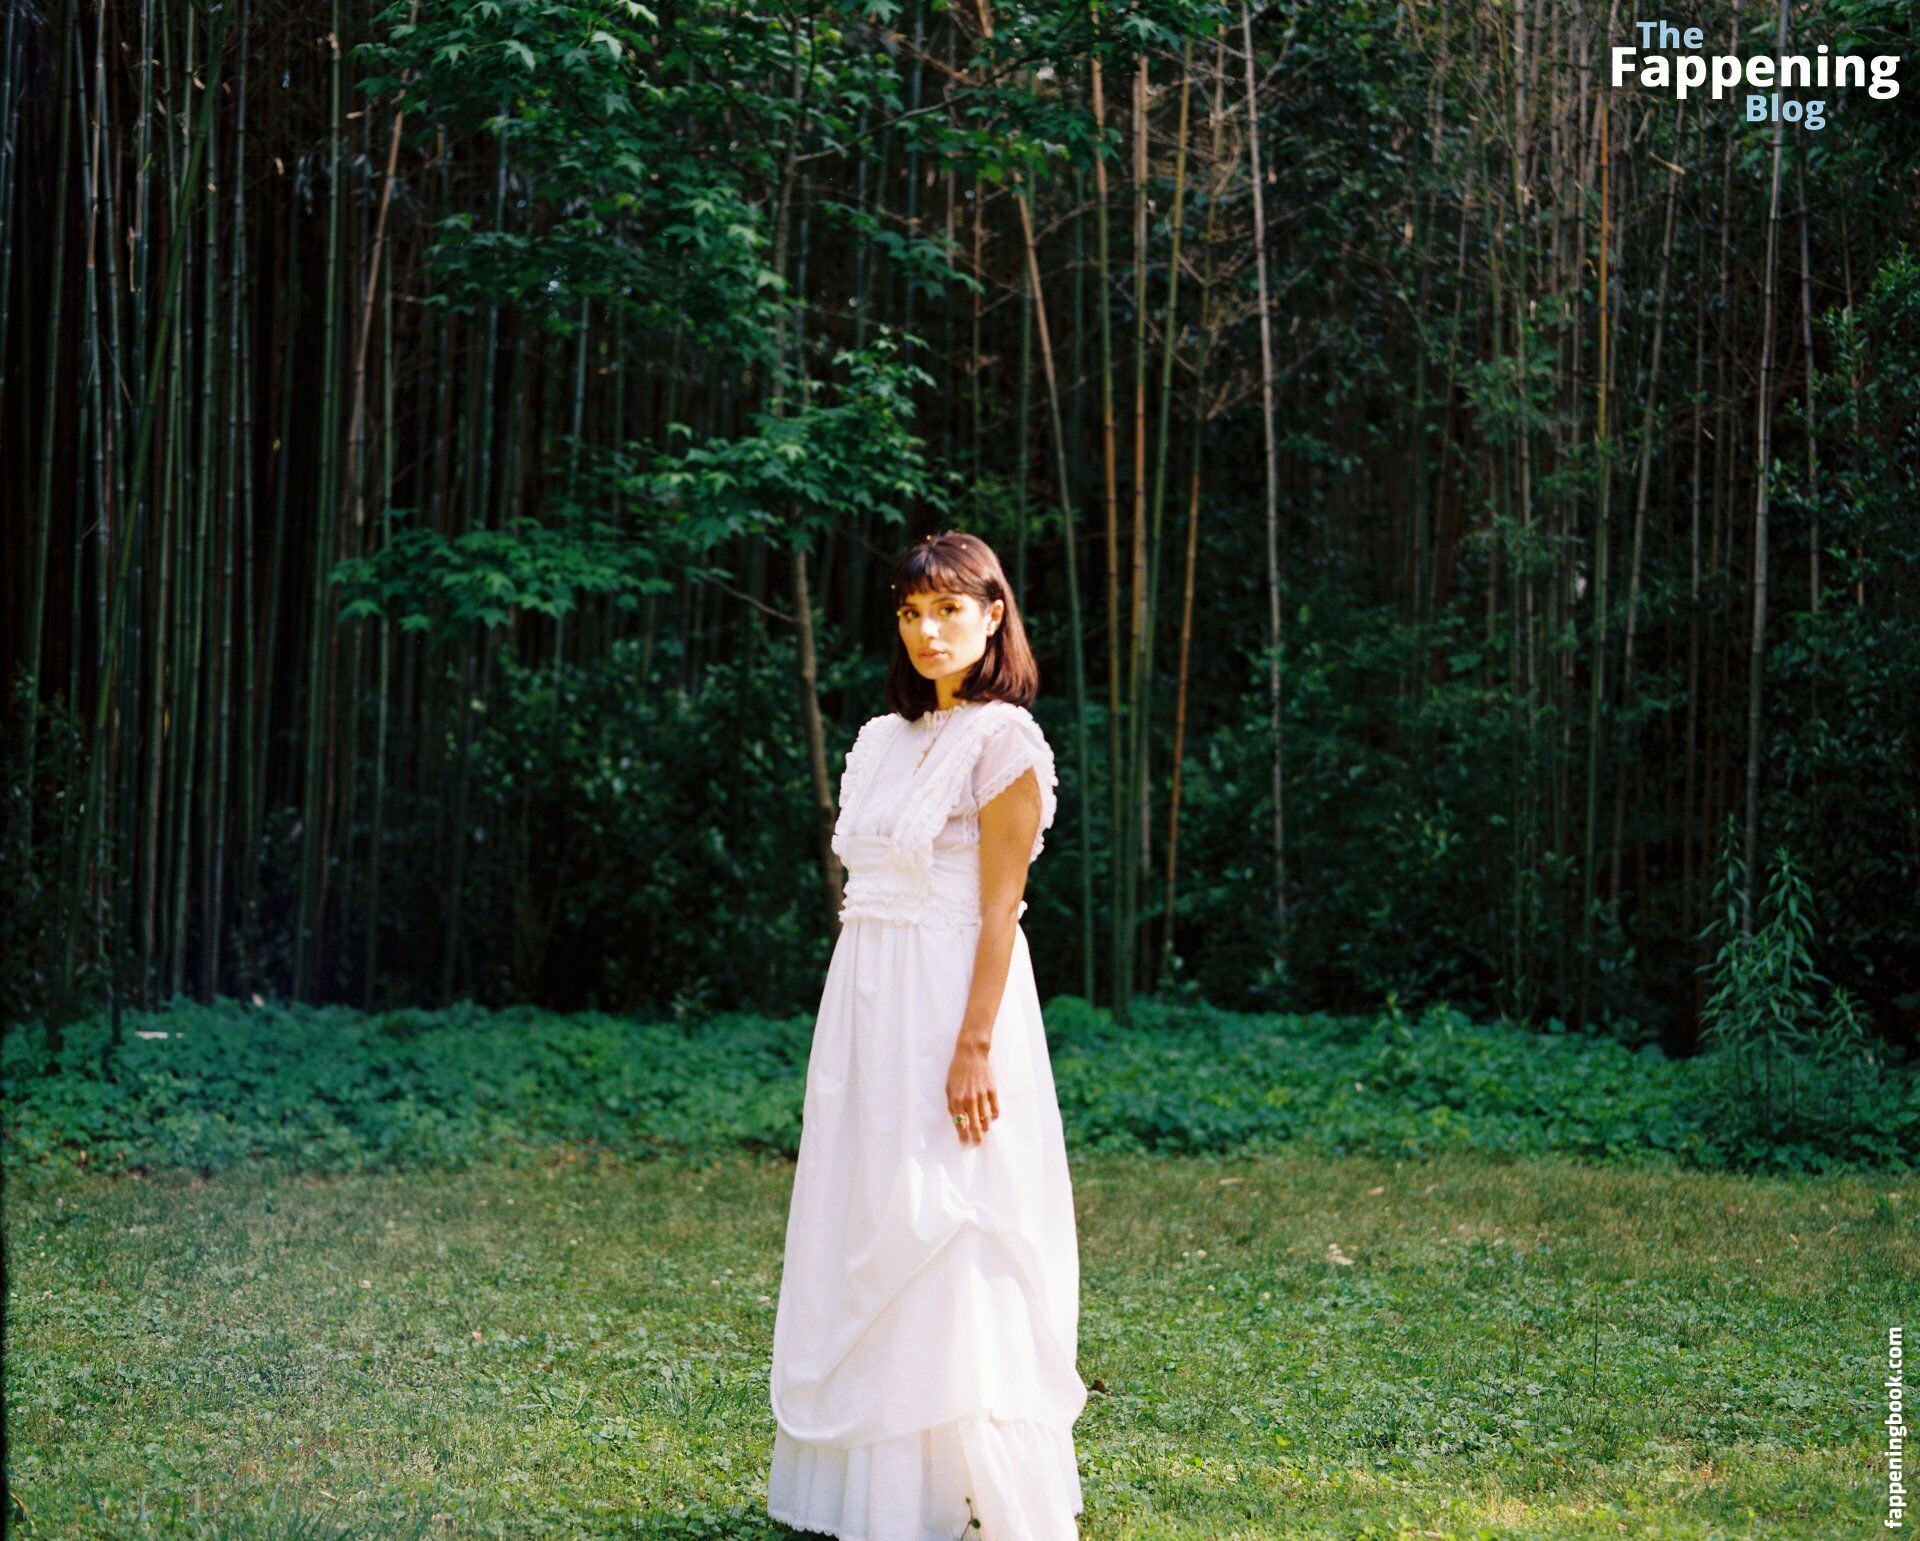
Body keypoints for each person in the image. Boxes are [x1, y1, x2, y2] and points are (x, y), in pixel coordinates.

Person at [766, 531, 1087, 1539]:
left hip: (955, 998)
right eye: (911, 612)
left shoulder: (1004, 742)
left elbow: (1000, 910)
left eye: (948, 608)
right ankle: (883, 1485)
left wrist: (974, 1044)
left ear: (994, 614)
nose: (927, 630)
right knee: (869, 1208)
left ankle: (972, 1483)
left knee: (950, 1214)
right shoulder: (879, 738)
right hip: (870, 1000)